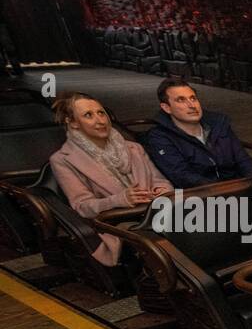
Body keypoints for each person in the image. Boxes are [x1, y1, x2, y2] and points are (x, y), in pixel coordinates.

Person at [48, 92, 172, 267]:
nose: (100, 120)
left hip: (155, 212)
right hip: (118, 223)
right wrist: (120, 200)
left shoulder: (134, 148)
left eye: (101, 113)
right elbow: (83, 207)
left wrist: (162, 191)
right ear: (73, 123)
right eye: (88, 115)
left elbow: (160, 181)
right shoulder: (62, 160)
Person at [143, 76, 252, 187]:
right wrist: (224, 191)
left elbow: (243, 159)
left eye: (193, 98)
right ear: (166, 108)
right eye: (181, 100)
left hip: (239, 187)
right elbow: (182, 176)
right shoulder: (159, 137)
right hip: (201, 198)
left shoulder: (219, 124)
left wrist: (250, 185)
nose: (191, 105)